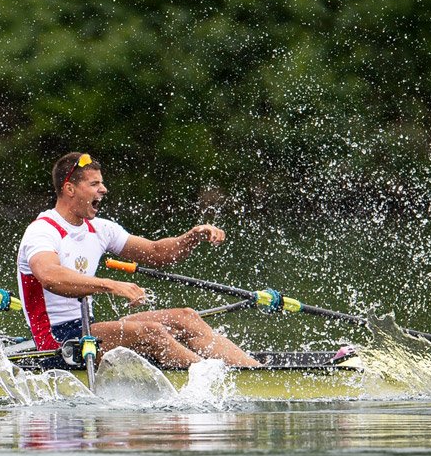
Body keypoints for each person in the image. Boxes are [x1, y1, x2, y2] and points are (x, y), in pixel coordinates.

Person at [16, 152, 258, 368]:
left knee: (186, 317)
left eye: (102, 182)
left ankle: (254, 374)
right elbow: (49, 277)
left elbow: (156, 252)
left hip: (89, 329)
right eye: (94, 184)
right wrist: (112, 285)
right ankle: (214, 385)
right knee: (153, 333)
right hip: (56, 341)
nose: (103, 189)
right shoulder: (43, 231)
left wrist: (191, 237)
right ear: (70, 189)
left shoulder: (99, 229)